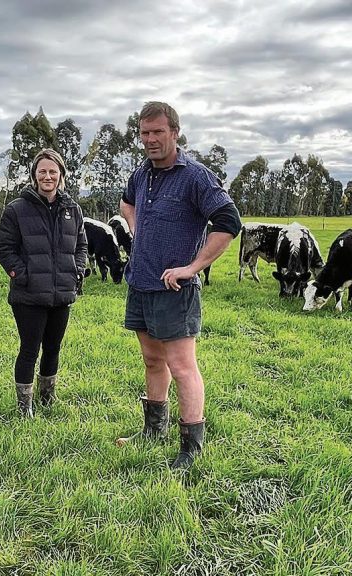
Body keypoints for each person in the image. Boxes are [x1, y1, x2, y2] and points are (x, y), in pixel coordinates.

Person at [115, 102, 241, 470]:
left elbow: (228, 222)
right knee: (153, 360)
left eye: (157, 132)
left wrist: (194, 266)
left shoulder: (196, 177)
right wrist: (139, 231)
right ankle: (154, 429)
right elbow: (126, 202)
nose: (150, 140)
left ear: (175, 133)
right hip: (141, 283)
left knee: (182, 366)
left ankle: (191, 448)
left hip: (175, 291)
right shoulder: (141, 175)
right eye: (144, 133)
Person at [0, 149, 88, 417]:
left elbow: (81, 245)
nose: (48, 176)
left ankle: (48, 398)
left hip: (62, 293)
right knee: (29, 349)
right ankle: (25, 407)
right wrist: (21, 275)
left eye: (53, 172)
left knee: (53, 348)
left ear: (61, 176)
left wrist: (76, 271)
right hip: (29, 296)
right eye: (43, 171)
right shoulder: (16, 209)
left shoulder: (72, 209)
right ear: (34, 175)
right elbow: (5, 249)